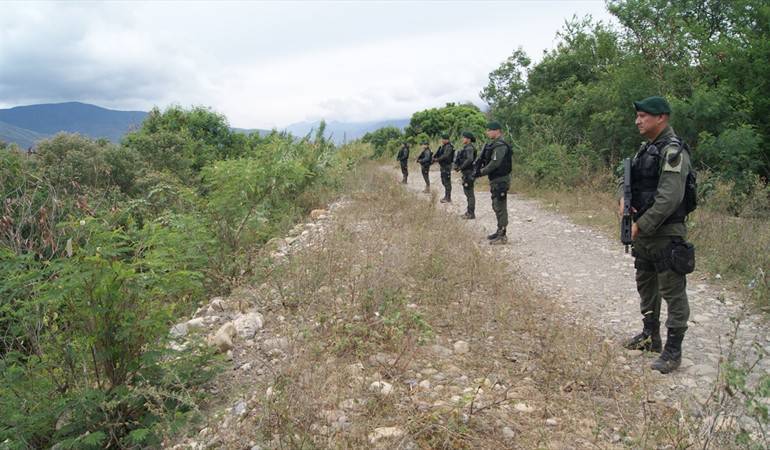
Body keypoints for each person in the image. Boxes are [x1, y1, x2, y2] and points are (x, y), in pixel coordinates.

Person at [620, 96, 693, 374]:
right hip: (645, 233)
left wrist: (642, 224)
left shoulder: (673, 152)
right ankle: (650, 335)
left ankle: (673, 351)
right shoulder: (644, 150)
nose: (638, 121)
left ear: (661, 117)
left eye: (644, 116)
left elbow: (669, 197)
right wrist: (622, 202)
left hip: (665, 233)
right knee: (645, 283)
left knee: (672, 291)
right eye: (637, 116)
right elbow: (626, 181)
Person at [476, 122, 512, 244]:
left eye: (489, 130)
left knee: (500, 206)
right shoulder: (493, 144)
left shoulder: (500, 145)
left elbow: (495, 163)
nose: (487, 132)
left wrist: (481, 172)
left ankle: (502, 235)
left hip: (501, 180)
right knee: (496, 205)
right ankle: (499, 230)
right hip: (496, 179)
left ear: (497, 131)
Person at [454, 131, 477, 219]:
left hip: (469, 173)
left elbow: (469, 159)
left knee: (470, 194)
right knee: (468, 193)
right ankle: (469, 212)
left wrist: (460, 167)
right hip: (466, 172)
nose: (462, 139)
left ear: (468, 139)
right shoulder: (467, 147)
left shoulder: (469, 148)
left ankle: (471, 213)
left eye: (464, 138)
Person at [433, 133, 455, 203]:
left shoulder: (449, 147)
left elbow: (445, 156)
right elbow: (440, 154)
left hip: (447, 166)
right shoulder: (443, 146)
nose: (442, 140)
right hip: (443, 166)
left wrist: (437, 159)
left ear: (447, 140)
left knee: (447, 182)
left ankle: (448, 197)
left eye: (443, 139)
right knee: (444, 181)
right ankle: (446, 196)